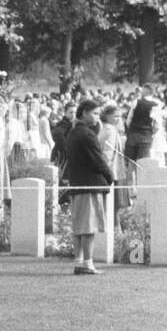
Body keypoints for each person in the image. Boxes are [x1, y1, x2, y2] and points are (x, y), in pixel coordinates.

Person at [65, 99, 115, 276]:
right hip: (89, 184)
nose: (97, 117)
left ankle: (79, 262)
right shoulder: (86, 135)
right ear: (84, 112)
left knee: (79, 226)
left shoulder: (73, 132)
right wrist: (110, 177)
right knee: (88, 227)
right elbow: (98, 160)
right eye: (94, 113)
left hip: (77, 183)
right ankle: (88, 264)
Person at [97, 103, 130, 215]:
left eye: (120, 116)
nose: (118, 119)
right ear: (107, 116)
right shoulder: (110, 130)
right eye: (115, 116)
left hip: (112, 168)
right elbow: (108, 152)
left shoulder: (105, 128)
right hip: (113, 169)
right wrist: (107, 171)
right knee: (115, 204)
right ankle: (117, 228)